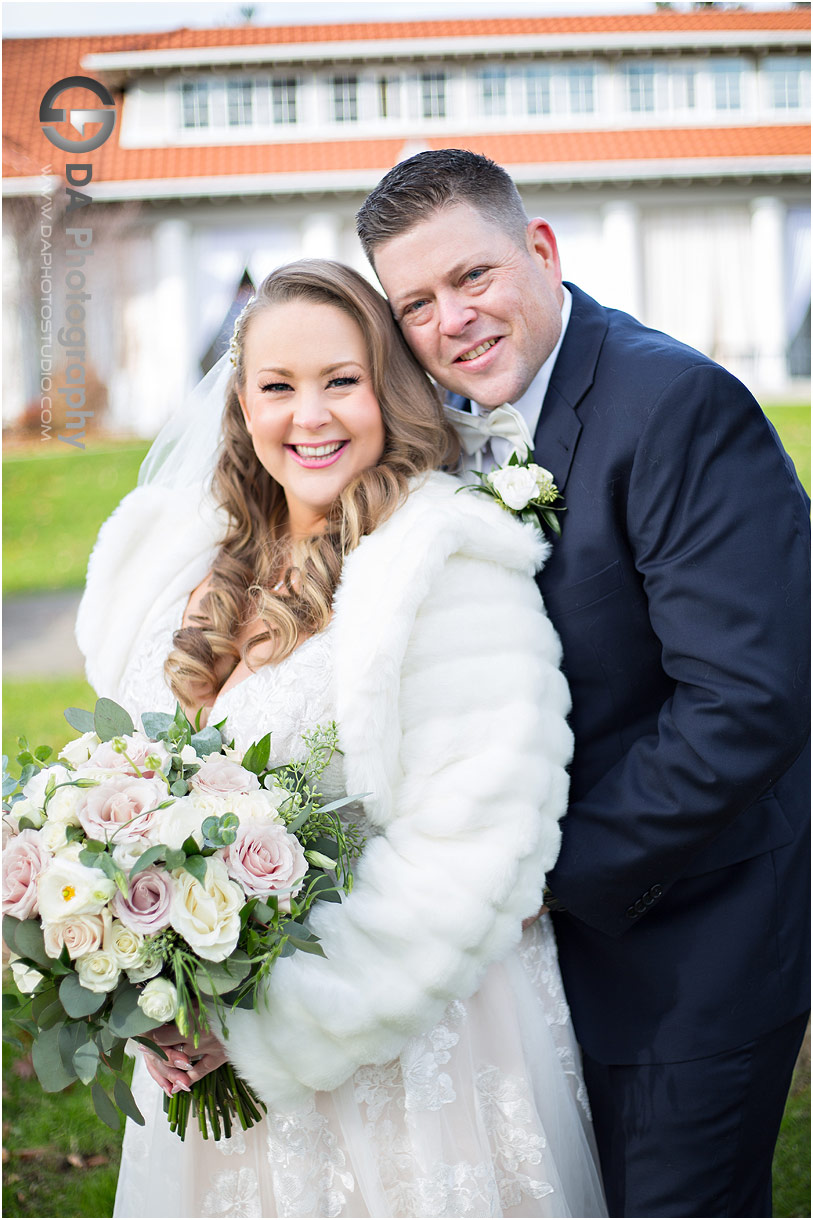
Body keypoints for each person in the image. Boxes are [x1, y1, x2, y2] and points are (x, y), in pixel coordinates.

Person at [76, 260, 607, 1218]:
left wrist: (270, 1032)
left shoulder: (445, 566)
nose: (308, 415)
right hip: (201, 1064)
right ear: (241, 402)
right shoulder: (188, 565)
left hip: (397, 1067)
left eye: (340, 381)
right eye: (278, 386)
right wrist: (134, 971)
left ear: (387, 392)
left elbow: (472, 853)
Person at [355, 148, 811, 1219]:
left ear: (542, 250)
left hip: (689, 944)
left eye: (473, 277)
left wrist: (532, 879)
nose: (453, 320)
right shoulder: (434, 429)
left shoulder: (674, 405)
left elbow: (749, 700)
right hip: (531, 980)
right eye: (415, 303)